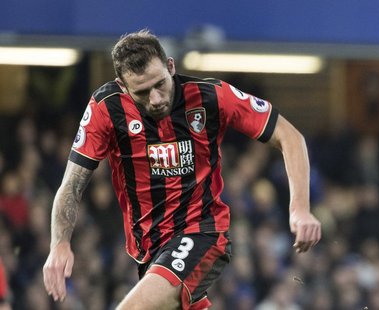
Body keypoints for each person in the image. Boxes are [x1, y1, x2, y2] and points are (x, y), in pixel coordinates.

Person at [42, 29, 321, 310]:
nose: (155, 98)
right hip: (150, 252)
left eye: (160, 84)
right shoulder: (106, 108)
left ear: (171, 66)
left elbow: (289, 136)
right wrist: (59, 244)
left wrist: (299, 208)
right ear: (123, 87)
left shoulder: (210, 96)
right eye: (142, 92)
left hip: (203, 234)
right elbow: (71, 184)